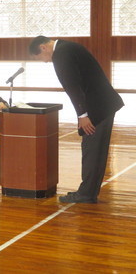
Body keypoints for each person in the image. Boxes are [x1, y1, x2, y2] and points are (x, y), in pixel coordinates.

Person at [29, 35, 124, 203]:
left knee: (92, 151)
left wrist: (83, 115)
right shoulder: (69, 47)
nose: (45, 62)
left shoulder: (61, 54)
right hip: (104, 104)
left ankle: (86, 194)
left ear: (43, 47)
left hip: (96, 108)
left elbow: (72, 86)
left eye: (41, 58)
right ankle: (89, 192)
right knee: (97, 152)